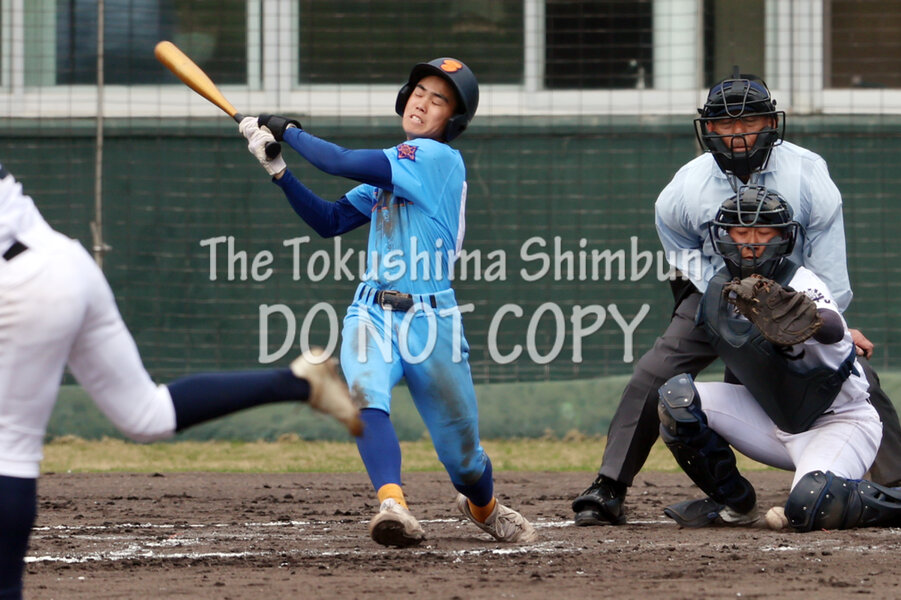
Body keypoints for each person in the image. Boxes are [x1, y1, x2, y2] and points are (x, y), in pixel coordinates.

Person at [0, 164, 362, 600]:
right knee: (145, 415)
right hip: (60, 260)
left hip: (19, 279)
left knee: (9, 446)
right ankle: (299, 382)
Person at [572, 66, 901, 526]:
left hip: (792, 294)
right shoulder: (686, 185)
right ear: (708, 129)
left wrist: (828, 321)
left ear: (771, 123)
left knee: (856, 374)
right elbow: (678, 244)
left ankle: (896, 486)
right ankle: (610, 485)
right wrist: (726, 291)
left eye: (748, 120)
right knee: (655, 374)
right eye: (725, 123)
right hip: (715, 291)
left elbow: (827, 262)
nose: (738, 133)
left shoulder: (808, 173)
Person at [239, 58, 537, 547]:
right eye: (418, 92)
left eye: (438, 100)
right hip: (371, 310)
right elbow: (331, 220)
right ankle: (392, 504)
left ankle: (483, 508)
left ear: (453, 120)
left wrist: (288, 130)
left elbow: (338, 161)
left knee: (463, 458)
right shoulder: (394, 174)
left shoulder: (435, 159)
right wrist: (279, 171)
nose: (422, 103)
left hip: (432, 320)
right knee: (365, 395)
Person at [659, 186, 899, 532]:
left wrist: (808, 319)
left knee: (811, 504)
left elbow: (833, 328)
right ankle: (735, 504)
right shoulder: (718, 291)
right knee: (676, 399)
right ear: (724, 236)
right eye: (741, 231)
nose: (751, 242)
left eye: (763, 232)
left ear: (784, 237)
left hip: (838, 422)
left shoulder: (801, 282)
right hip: (772, 420)